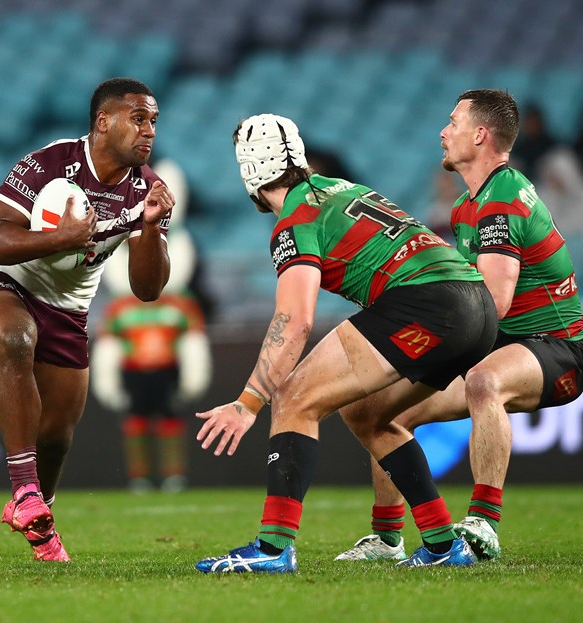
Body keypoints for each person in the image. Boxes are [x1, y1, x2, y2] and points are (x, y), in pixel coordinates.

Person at [194, 113, 498, 574]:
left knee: (293, 397)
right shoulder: (340, 188)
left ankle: (274, 548)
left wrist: (247, 402)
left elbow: (294, 322)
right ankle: (441, 543)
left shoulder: (295, 220)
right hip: (476, 305)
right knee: (368, 413)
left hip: (427, 301)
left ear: (249, 172)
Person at [334, 89, 583, 562]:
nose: (444, 132)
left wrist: (429, 344)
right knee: (382, 410)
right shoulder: (467, 206)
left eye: (453, 122)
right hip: (503, 341)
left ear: (480, 134)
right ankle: (387, 539)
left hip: (558, 347)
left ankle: (484, 522)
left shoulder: (503, 198)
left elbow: (495, 303)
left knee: (484, 382)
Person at [0, 77, 174, 562]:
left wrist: (152, 225)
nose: (149, 131)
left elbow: (148, 289)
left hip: (69, 311)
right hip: (1, 286)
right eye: (138, 119)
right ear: (104, 121)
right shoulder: (48, 164)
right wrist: (63, 238)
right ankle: (23, 492)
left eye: (154, 121)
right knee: (17, 337)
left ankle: (39, 521)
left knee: (57, 435)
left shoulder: (148, 190)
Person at [91, 159, 211, 493]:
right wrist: (108, 380)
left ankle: (174, 475)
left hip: (166, 369)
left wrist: (192, 374)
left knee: (171, 423)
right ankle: (140, 477)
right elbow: (109, 342)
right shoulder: (120, 308)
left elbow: (192, 338)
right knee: (136, 424)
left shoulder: (180, 305)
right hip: (135, 371)